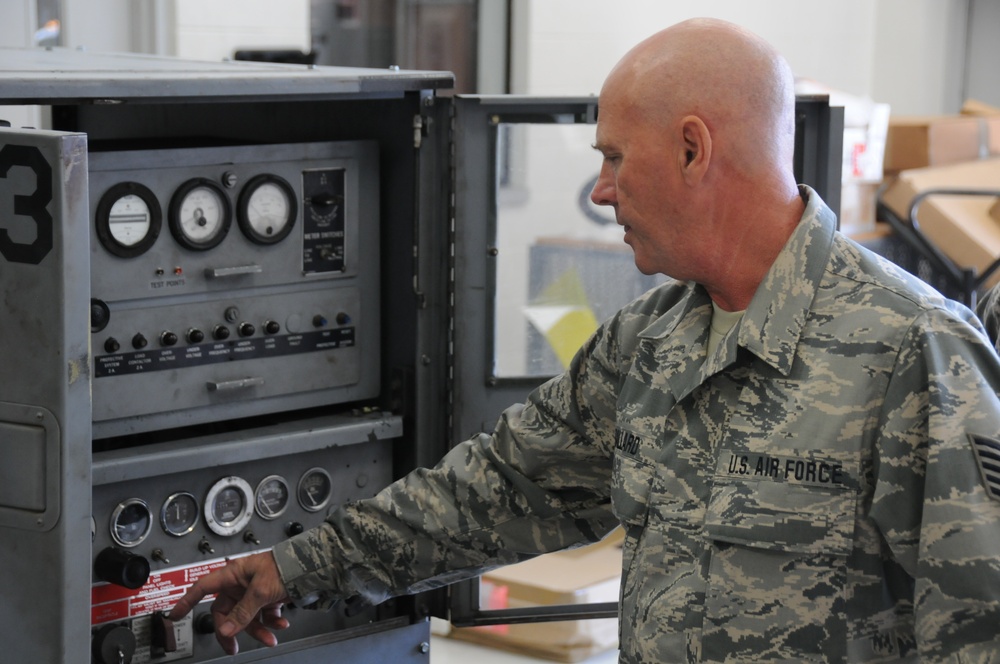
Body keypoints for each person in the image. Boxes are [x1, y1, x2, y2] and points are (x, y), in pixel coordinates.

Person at [170, 18, 1000, 662]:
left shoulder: (912, 354)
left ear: (691, 149)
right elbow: (495, 491)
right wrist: (295, 568)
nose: (601, 190)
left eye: (613, 157)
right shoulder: (654, 341)